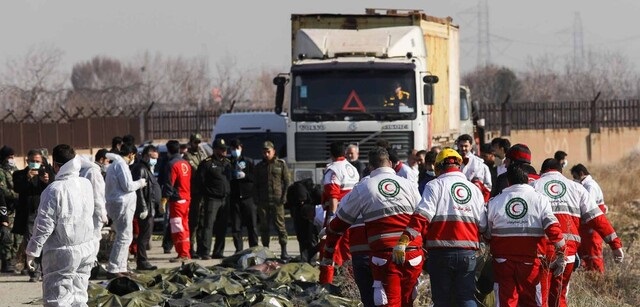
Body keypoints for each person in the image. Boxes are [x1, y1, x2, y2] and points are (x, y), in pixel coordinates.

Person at [324, 147, 423, 307]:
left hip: (385, 256)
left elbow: (340, 223)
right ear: (390, 163)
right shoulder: (409, 185)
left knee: (389, 302)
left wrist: (328, 252)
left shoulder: (364, 187)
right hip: (412, 254)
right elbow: (422, 217)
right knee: (408, 302)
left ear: (370, 167)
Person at [397, 148, 487, 307]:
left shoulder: (434, 185)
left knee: (442, 301)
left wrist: (404, 240)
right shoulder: (475, 190)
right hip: (468, 253)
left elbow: (422, 216)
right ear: (459, 166)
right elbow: (483, 224)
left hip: (441, 254)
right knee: (467, 298)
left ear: (438, 167)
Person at [532, 158, 623, 307]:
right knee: (559, 297)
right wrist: (615, 244)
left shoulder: (534, 186)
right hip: (568, 252)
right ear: (560, 172)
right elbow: (597, 218)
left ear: (542, 172)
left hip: (542, 251)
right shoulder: (576, 188)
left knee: (541, 297)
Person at [485, 163, 566, 307]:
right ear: (527, 179)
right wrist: (561, 253)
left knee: (506, 301)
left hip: (502, 262)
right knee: (533, 301)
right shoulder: (540, 199)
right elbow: (553, 228)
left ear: (508, 181)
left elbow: (487, 233)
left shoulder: (494, 202)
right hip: (531, 262)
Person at [25, 144, 95, 306]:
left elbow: (44, 225)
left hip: (62, 253)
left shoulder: (54, 190)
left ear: (56, 165)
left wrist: (32, 251)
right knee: (79, 297)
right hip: (86, 249)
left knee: (57, 299)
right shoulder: (85, 184)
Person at [319, 141, 360, 283]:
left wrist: (331, 217)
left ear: (331, 154)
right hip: (353, 216)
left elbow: (333, 196)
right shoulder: (352, 169)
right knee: (348, 251)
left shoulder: (333, 170)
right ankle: (351, 282)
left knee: (328, 251)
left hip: (338, 216)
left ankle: (326, 284)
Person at [11, 149, 54, 281]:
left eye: (37, 161)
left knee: (46, 241)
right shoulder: (19, 175)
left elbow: (53, 187)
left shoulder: (47, 172)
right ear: (27, 161)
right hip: (28, 214)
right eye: (32, 161)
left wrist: (46, 180)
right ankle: (34, 271)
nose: (34, 164)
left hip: (44, 212)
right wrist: (28, 178)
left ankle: (44, 269)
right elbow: (18, 189)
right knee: (31, 242)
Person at [104, 144, 147, 276]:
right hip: (122, 205)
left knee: (126, 237)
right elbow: (127, 186)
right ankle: (114, 267)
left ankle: (121, 266)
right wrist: (140, 182)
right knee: (123, 237)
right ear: (131, 154)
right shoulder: (121, 165)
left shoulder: (115, 165)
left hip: (119, 205)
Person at [194, 138, 231, 259]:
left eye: (225, 149)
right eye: (221, 149)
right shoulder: (207, 163)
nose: (224, 151)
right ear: (215, 150)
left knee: (222, 226)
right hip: (212, 199)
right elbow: (199, 182)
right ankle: (205, 252)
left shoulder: (227, 163)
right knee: (208, 226)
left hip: (224, 199)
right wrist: (208, 194)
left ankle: (218, 251)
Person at [255, 141, 291, 260]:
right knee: (264, 227)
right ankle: (266, 251)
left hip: (277, 201)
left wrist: (284, 196)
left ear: (273, 152)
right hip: (263, 201)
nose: (266, 154)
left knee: (280, 227)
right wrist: (257, 199)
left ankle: (284, 251)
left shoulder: (280, 164)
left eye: (268, 152)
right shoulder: (259, 167)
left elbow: (286, 181)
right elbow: (255, 185)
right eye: (264, 152)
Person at [570, 163, 608, 273]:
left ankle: (598, 279)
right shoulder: (586, 185)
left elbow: (588, 207)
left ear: (581, 173)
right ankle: (590, 275)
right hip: (587, 227)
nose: (575, 180)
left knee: (594, 254)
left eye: (575, 177)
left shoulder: (590, 186)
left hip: (592, 227)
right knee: (587, 254)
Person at [131, 145, 161, 270]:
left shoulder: (148, 168)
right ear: (145, 156)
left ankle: (142, 260)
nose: (154, 160)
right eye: (152, 157)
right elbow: (139, 192)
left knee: (146, 235)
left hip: (150, 207)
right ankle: (142, 261)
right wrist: (143, 208)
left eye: (156, 158)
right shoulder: (141, 169)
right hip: (146, 208)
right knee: (144, 236)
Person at [228, 138, 258, 253]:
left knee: (252, 225)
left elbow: (255, 178)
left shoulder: (248, 161)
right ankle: (239, 249)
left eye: (237, 148)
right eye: (233, 148)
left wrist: (245, 176)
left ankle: (254, 248)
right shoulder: (228, 162)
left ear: (241, 148)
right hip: (234, 197)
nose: (235, 150)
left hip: (248, 197)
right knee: (236, 227)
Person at [77, 153, 107, 269]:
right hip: (94, 212)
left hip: (86, 211)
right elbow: (97, 195)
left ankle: (90, 263)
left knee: (88, 239)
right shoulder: (93, 172)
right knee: (94, 238)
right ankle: (92, 264)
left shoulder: (85, 171)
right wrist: (102, 213)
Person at [165, 140, 192, 262]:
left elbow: (169, 183)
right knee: (184, 226)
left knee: (177, 226)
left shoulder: (172, 164)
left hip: (177, 200)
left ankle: (183, 253)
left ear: (169, 151)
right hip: (186, 198)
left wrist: (165, 198)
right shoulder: (186, 163)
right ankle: (186, 251)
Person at [184, 133, 208, 257]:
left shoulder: (203, 154)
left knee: (203, 222)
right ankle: (191, 248)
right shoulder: (187, 156)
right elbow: (196, 170)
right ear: (191, 142)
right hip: (194, 192)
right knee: (193, 222)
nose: (197, 145)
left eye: (199, 142)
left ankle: (201, 248)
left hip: (204, 193)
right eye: (195, 142)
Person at [287, 178, 319, 263]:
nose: (301, 202)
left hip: (311, 212)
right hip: (299, 214)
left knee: (311, 238)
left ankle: (312, 260)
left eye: (303, 201)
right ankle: (305, 260)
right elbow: (289, 206)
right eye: (300, 201)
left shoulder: (313, 191)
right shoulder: (292, 192)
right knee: (302, 238)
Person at [0, 145, 19, 273]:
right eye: (9, 157)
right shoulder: (1, 171)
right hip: (5, 208)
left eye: (12, 157)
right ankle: (7, 263)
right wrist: (18, 194)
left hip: (16, 208)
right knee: (7, 236)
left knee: (18, 237)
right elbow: (2, 191)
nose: (11, 159)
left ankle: (13, 261)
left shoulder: (15, 170)